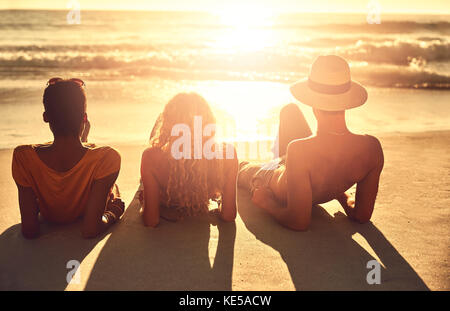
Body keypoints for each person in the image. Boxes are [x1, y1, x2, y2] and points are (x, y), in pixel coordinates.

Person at [238, 55, 384, 231]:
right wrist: (341, 194)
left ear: (313, 103)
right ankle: (282, 160)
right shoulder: (372, 148)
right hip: (301, 164)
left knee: (241, 167)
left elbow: (298, 222)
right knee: (290, 111)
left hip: (270, 175)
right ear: (346, 102)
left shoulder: (300, 150)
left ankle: (261, 164)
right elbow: (361, 215)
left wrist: (267, 203)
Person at [12, 78, 124, 239]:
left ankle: (83, 140)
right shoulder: (107, 157)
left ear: (46, 117)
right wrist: (113, 212)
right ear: (84, 118)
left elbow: (29, 229)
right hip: (86, 207)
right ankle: (83, 141)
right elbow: (90, 229)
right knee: (110, 184)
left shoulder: (23, 157)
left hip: (49, 215)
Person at [140, 92, 238, 227]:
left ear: (168, 125)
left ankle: (167, 120)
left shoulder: (151, 157)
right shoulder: (227, 154)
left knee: (153, 153)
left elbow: (151, 221)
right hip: (200, 194)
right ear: (209, 122)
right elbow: (228, 215)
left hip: (166, 190)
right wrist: (221, 203)